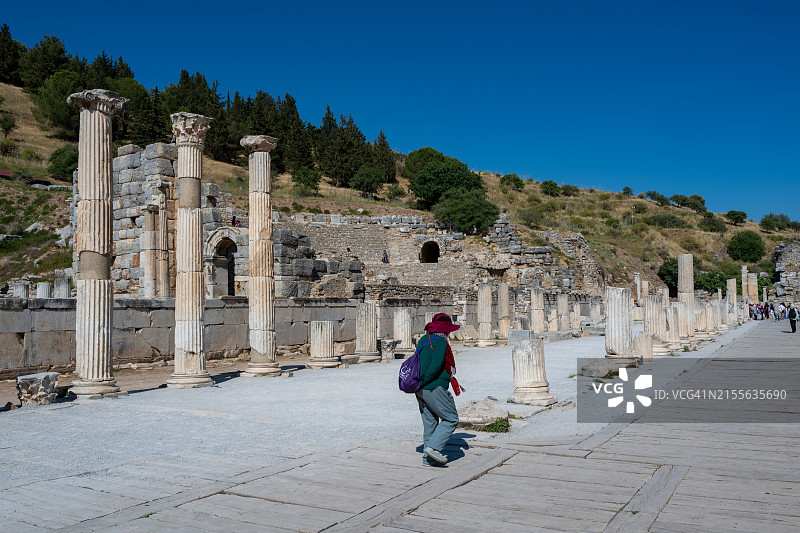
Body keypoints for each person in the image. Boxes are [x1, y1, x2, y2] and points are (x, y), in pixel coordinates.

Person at [415, 313, 461, 467]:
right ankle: (433, 448)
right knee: (451, 418)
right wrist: (426, 381)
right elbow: (435, 366)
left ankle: (428, 460)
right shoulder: (441, 342)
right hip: (433, 386)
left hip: (419, 388)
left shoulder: (424, 338)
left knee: (430, 423)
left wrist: (420, 383)